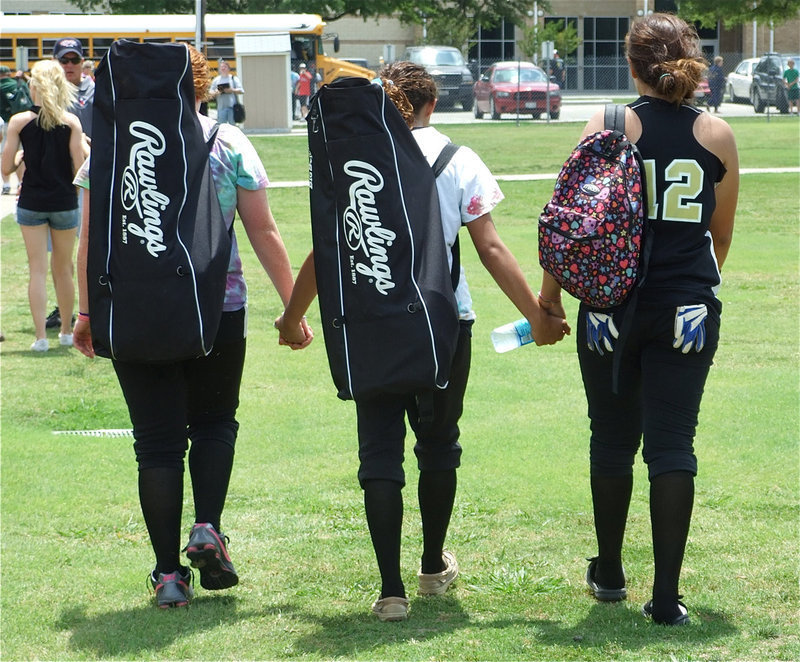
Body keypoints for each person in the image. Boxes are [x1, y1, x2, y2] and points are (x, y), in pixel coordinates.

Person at [276, 61, 569, 622]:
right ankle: (433, 566)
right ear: (430, 104)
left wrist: (292, 317)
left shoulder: (353, 161)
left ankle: (390, 591)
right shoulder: (457, 159)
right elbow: (489, 248)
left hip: (368, 323)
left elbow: (326, 252)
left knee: (379, 453)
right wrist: (537, 315)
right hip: (443, 325)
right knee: (438, 445)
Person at [72, 45, 301, 608]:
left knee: (155, 445)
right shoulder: (227, 141)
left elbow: (88, 242)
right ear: (199, 87)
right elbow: (263, 231)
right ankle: (207, 527)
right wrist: (294, 310)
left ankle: (168, 575)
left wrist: (84, 313)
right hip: (216, 311)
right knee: (215, 421)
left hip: (133, 312)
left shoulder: (110, 147)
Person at [539, 13, 738, 626]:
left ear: (630, 65)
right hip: (686, 308)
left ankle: (610, 573)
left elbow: (569, 225)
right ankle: (666, 596)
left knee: (612, 438)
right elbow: (720, 236)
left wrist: (549, 301)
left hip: (608, 310)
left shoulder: (604, 121)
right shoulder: (717, 132)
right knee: (674, 444)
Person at [0, 60, 84, 352]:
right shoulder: (71, 122)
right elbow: (80, 167)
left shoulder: (19, 122)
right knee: (64, 268)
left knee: (37, 269)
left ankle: (40, 337)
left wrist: (22, 158)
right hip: (64, 202)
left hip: (32, 202)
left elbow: (5, 167)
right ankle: (65, 332)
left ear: (33, 86)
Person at [45, 36, 95, 331]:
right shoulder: (47, 92)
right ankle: (64, 307)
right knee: (61, 253)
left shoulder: (96, 90)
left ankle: (90, 306)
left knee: (90, 244)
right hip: (61, 182)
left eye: (75, 59)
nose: (70, 66)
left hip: (89, 179)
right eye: (64, 60)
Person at [209, 59, 244, 125]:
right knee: (221, 128)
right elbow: (210, 92)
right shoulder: (216, 80)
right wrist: (216, 92)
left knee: (233, 128)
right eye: (221, 67)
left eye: (225, 67)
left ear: (228, 69)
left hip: (232, 108)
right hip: (221, 108)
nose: (223, 68)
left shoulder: (233, 79)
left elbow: (241, 90)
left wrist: (231, 90)